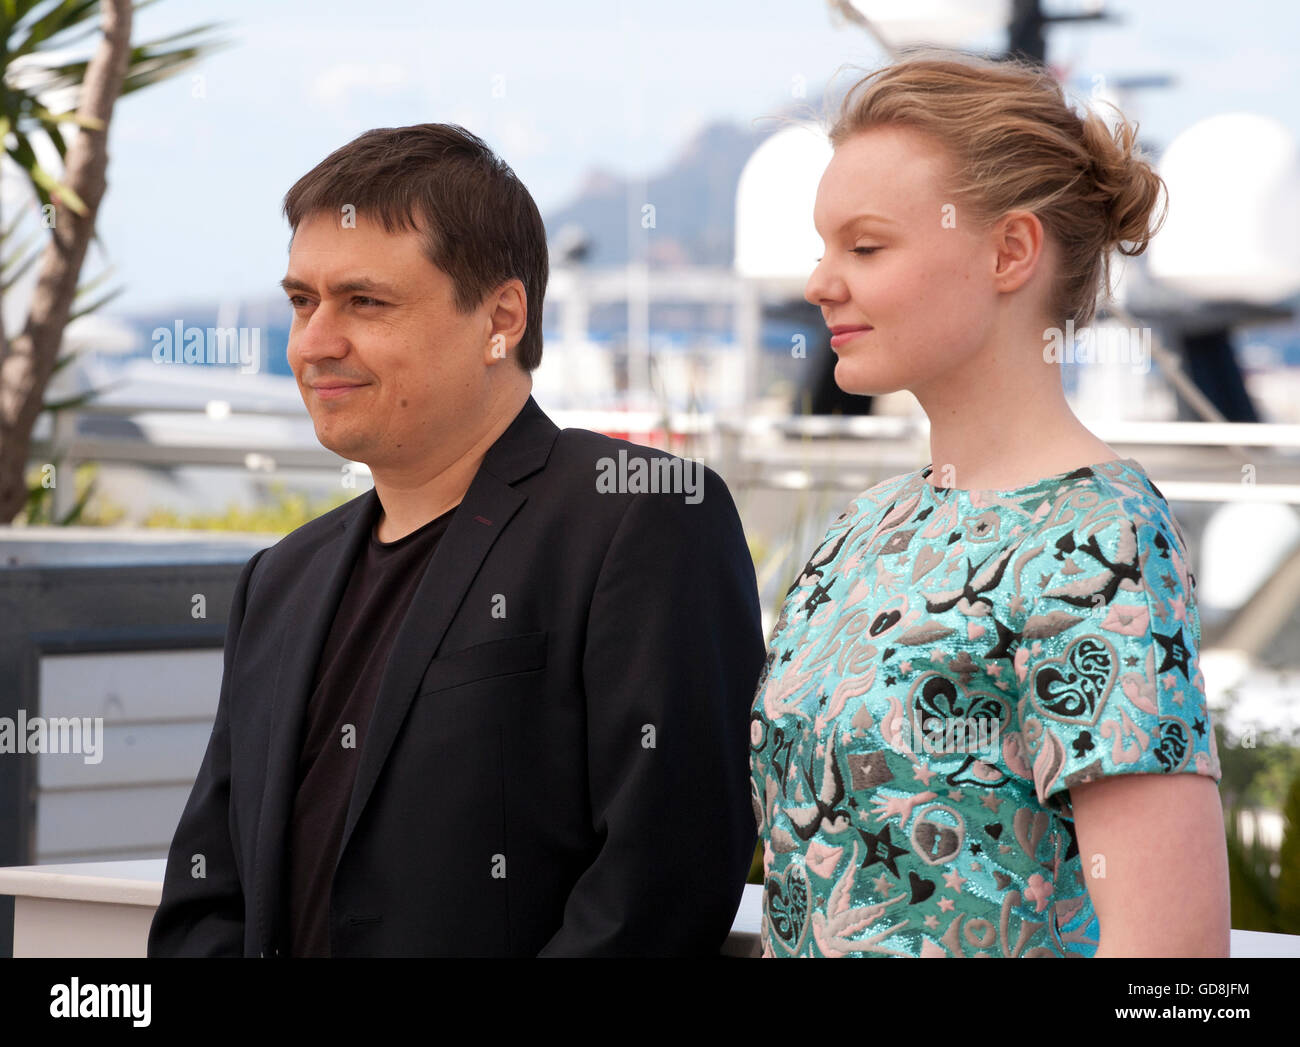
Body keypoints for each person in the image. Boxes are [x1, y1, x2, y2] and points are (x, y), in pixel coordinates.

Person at [148, 123, 765, 957]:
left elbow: (659, 882)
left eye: (365, 302)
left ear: (501, 318)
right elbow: (207, 894)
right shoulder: (279, 581)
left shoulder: (640, 516)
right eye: (302, 301)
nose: (314, 342)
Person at [749, 51, 1229, 957]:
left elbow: (1178, 963)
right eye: (823, 248)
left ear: (1010, 251)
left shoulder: (1097, 540)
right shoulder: (866, 527)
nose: (820, 282)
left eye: (865, 246)